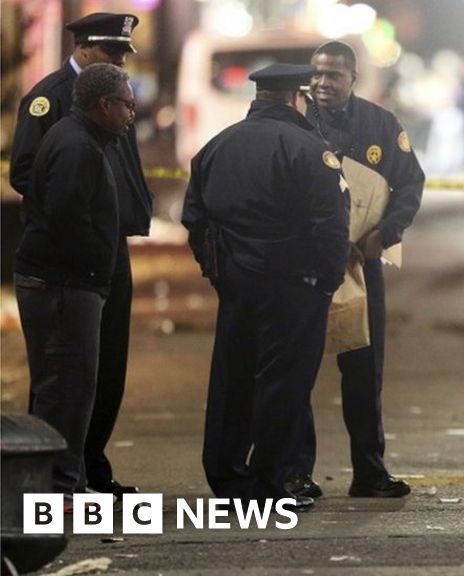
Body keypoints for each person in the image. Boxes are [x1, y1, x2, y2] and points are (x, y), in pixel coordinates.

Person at [181, 63, 350, 511]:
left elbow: (195, 220)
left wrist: (217, 270)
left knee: (231, 379)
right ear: (297, 98)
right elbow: (332, 225)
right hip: (294, 285)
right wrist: (327, 281)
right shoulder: (309, 149)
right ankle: (272, 481)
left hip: (236, 283)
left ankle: (226, 474)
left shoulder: (216, 147)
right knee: (284, 384)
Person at [9, 12, 152, 498]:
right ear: (85, 49)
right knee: (64, 373)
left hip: (108, 245)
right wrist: (79, 240)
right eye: (112, 52)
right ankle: (52, 476)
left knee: (104, 365)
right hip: (73, 259)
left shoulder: (113, 95)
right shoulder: (54, 98)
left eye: (123, 54)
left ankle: (89, 465)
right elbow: (29, 174)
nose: (119, 60)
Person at [289, 40, 425, 499]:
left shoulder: (380, 124)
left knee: (365, 373)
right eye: (317, 74)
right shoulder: (296, 119)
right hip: (305, 269)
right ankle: (296, 473)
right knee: (298, 369)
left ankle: (369, 472)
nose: (323, 83)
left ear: (353, 78)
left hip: (361, 267)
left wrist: (386, 233)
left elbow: (410, 183)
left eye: (334, 75)